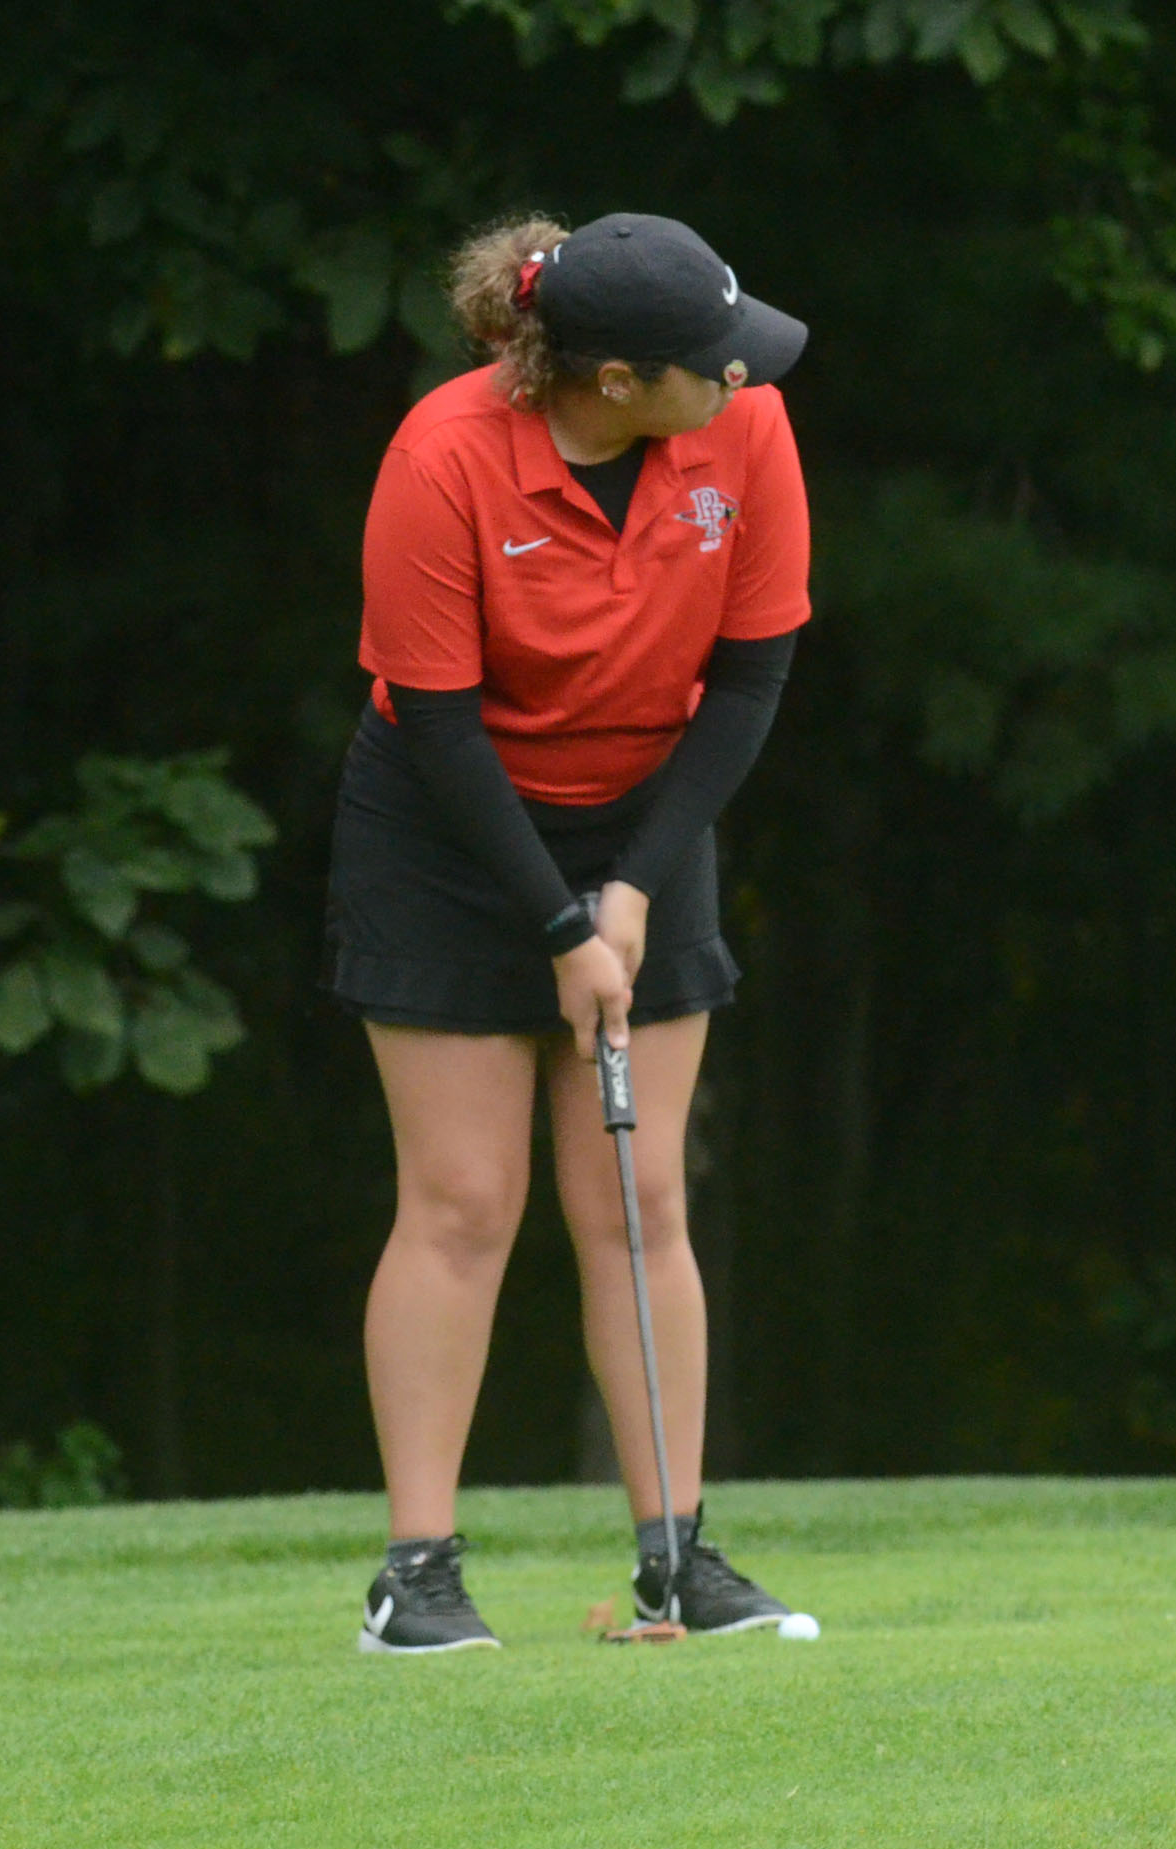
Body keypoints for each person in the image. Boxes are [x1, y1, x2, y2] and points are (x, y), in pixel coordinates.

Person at [325, 211, 810, 1652]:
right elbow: (438, 717)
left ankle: (679, 1558)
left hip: (647, 816)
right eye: (709, 362)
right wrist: (553, 919)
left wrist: (634, 894)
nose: (740, 376)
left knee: (637, 1195)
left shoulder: (747, 428)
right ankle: (414, 1574)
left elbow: (748, 680)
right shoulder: (445, 454)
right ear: (608, 378)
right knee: (465, 1199)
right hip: (448, 825)